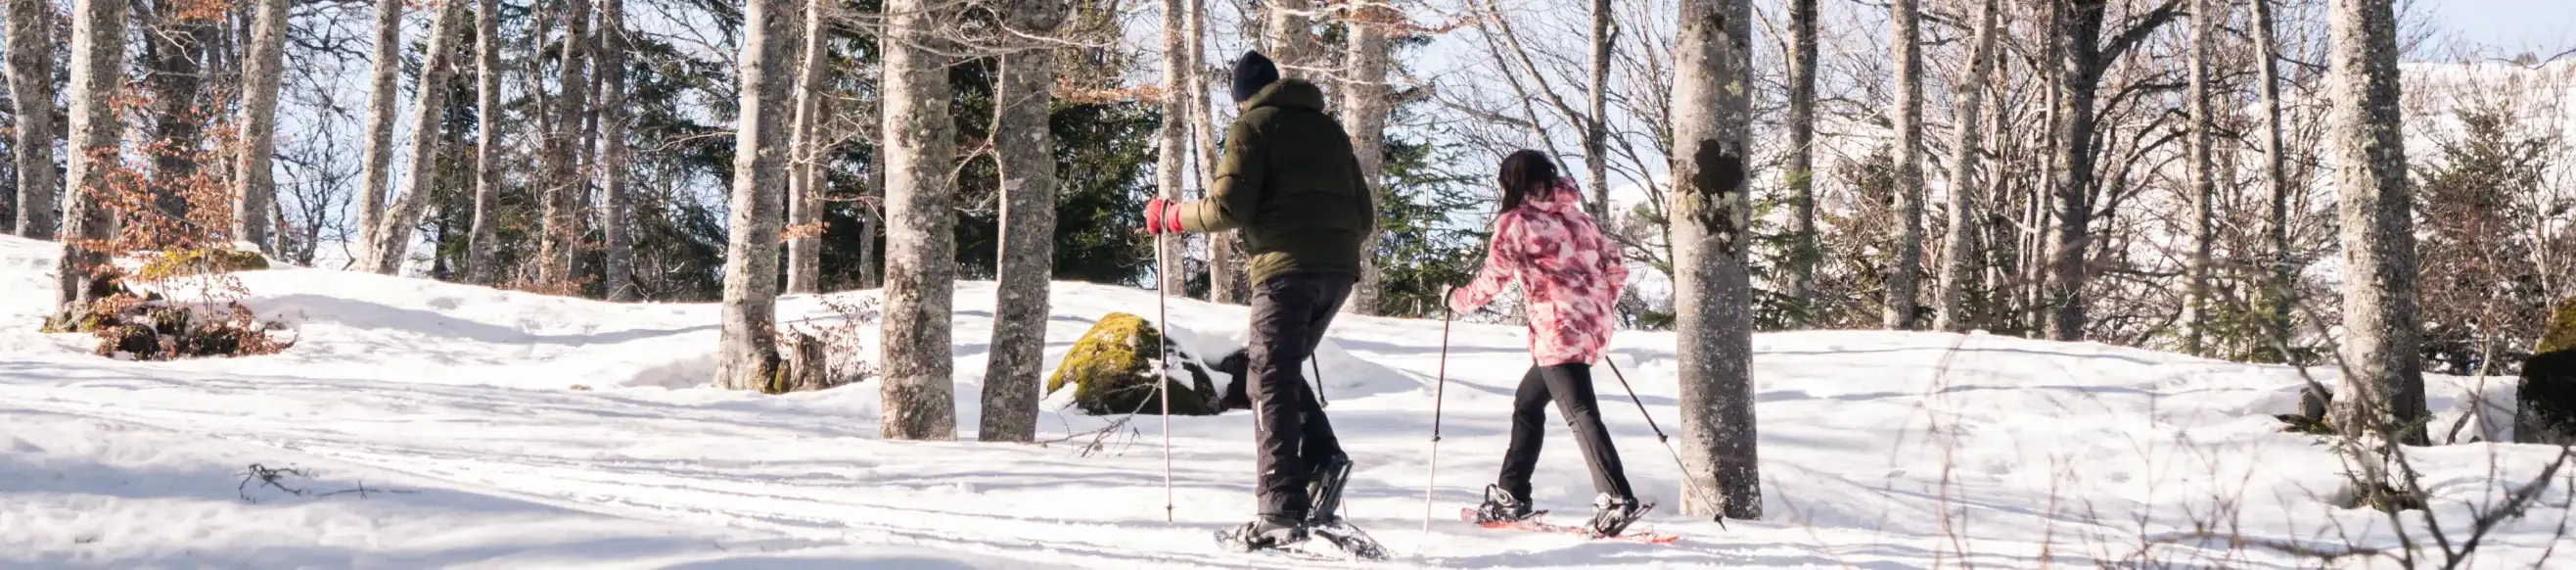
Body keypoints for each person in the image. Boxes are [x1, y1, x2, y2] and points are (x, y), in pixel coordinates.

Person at [1142, 50, 1376, 549]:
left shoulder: (1253, 128)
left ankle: (1279, 507)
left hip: (1285, 271)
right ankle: (1323, 459)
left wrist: (1171, 215)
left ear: (1241, 98)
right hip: (1336, 273)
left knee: (1268, 379)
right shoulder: (1330, 131)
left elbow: (1228, 206)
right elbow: (1365, 216)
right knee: (1272, 368)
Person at [1449, 150, 1649, 537]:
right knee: (1528, 403)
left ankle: (1616, 496)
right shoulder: (1578, 217)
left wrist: (1457, 300)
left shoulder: (1516, 221)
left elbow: (1495, 276)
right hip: (1592, 324)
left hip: (1558, 327)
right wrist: (1595, 304)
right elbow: (1616, 264)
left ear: (1511, 181)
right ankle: (1512, 492)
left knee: (1579, 412)